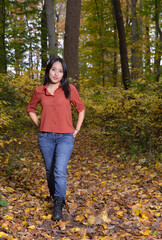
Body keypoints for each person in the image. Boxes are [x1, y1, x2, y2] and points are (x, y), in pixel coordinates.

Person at [27, 57, 85, 221]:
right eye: (54, 69)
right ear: (48, 70)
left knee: (59, 170)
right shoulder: (39, 90)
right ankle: (55, 196)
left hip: (65, 137)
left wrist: (77, 129)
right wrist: (39, 122)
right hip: (45, 137)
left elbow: (81, 108)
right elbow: (30, 108)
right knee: (49, 170)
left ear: (64, 74)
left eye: (60, 71)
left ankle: (58, 204)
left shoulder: (69, 89)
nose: (56, 73)